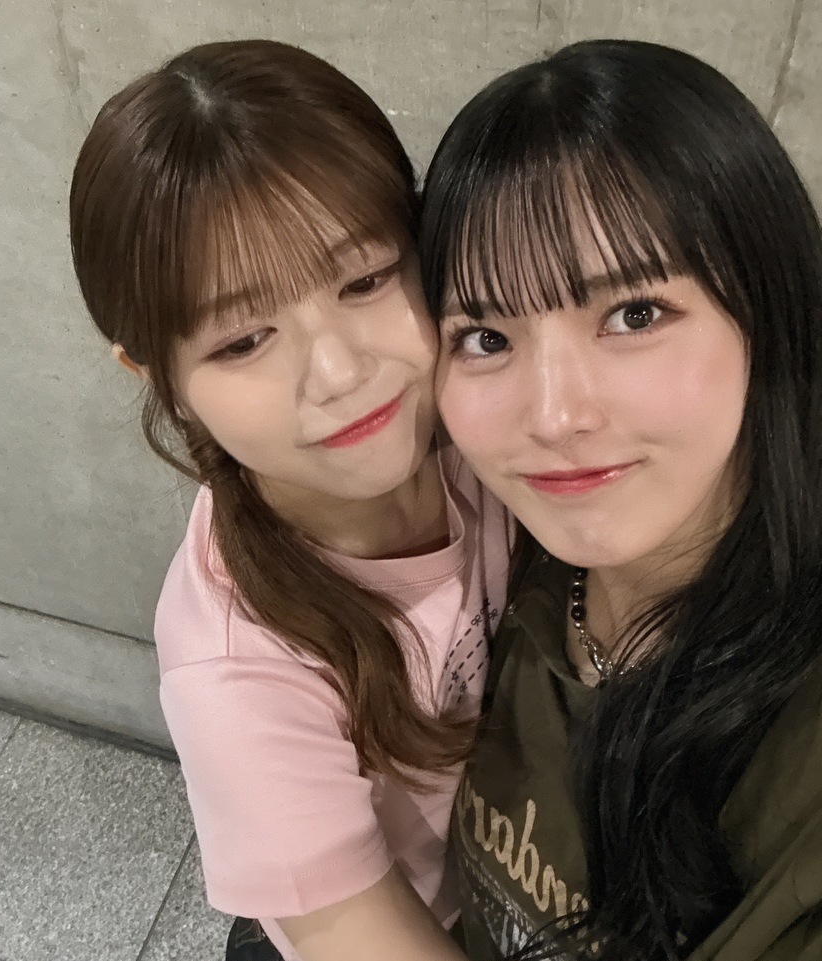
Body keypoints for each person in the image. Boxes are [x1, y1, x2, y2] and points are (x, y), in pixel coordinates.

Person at [418, 38, 822, 961]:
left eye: (633, 314)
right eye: (485, 336)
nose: (553, 416)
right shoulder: (495, 574)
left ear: (771, 318)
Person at [69, 40, 511, 961]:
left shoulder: (490, 426)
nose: (341, 372)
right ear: (157, 374)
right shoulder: (235, 673)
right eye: (242, 341)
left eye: (365, 280)